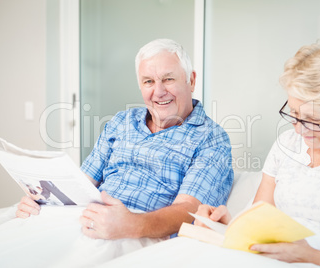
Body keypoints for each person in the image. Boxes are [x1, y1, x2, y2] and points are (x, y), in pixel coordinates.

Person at [16, 38, 234, 241]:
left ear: (191, 80)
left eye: (168, 79)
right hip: (86, 221)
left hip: (140, 237)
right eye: (149, 81)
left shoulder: (211, 138)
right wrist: (43, 202)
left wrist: (133, 225)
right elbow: (81, 185)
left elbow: (189, 210)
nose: (159, 92)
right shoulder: (122, 121)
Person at [195, 42, 320, 267]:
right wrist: (224, 224)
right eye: (294, 113)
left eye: (312, 120)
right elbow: (258, 220)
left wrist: (313, 257)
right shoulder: (286, 144)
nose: (299, 130)